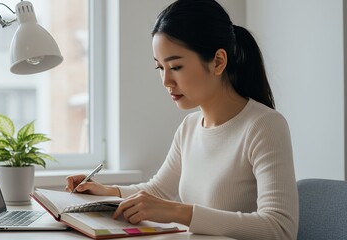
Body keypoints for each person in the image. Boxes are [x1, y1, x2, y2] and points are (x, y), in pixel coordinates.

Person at [65, 0, 298, 239]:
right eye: (160, 68)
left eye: (175, 67)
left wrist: (180, 212)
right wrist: (105, 191)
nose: (166, 81)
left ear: (218, 61)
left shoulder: (264, 126)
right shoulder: (189, 127)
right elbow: (157, 191)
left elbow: (279, 228)